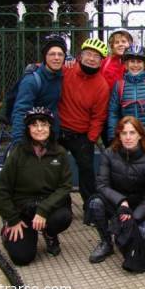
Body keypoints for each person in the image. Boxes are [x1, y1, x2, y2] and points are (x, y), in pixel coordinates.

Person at [0, 107, 72, 265]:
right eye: (34, 125)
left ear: (50, 127)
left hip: (47, 207)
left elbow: (65, 186)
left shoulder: (60, 153)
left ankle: (49, 234)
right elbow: (2, 188)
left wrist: (43, 210)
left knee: (63, 216)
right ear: (28, 128)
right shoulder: (18, 153)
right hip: (22, 210)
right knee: (22, 258)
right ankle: (9, 231)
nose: (39, 129)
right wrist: (12, 219)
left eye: (43, 124)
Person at [87, 116, 145, 272]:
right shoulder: (108, 154)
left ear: (140, 135)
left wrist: (132, 217)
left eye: (132, 133)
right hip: (118, 204)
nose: (128, 137)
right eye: (123, 133)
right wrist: (121, 202)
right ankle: (106, 243)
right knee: (95, 203)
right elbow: (101, 185)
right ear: (118, 135)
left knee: (141, 236)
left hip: (142, 207)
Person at [58, 37, 110, 213]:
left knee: (87, 172)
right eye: (88, 54)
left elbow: (98, 116)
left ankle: (91, 207)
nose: (92, 59)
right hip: (58, 130)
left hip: (81, 134)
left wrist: (91, 139)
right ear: (80, 55)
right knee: (56, 169)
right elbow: (48, 67)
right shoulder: (67, 70)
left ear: (101, 61)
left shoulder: (101, 85)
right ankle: (61, 205)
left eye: (97, 57)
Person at [107, 44, 145, 157]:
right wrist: (112, 135)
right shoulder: (119, 85)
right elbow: (113, 112)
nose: (135, 65)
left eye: (139, 62)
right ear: (126, 64)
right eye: (132, 61)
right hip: (127, 138)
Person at [11, 34, 67, 145]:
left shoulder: (60, 76)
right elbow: (21, 111)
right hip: (33, 137)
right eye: (52, 54)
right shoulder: (32, 80)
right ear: (45, 56)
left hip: (51, 136)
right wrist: (19, 143)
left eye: (60, 54)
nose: (56, 58)